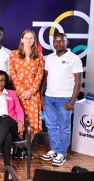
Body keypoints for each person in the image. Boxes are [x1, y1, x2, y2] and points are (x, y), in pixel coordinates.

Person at [40, 33, 82, 166]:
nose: (58, 44)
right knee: (51, 126)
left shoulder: (74, 59)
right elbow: (46, 78)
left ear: (66, 42)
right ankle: (54, 150)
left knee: (64, 127)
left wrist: (73, 101)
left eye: (61, 41)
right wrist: (41, 94)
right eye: (56, 41)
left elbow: (78, 81)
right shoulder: (49, 58)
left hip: (65, 98)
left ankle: (62, 153)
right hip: (49, 97)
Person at [9, 29, 44, 156]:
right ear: (22, 39)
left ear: (34, 40)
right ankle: (17, 147)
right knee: (19, 120)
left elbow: (40, 76)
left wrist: (31, 91)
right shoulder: (14, 54)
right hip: (18, 94)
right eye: (26, 38)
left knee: (32, 122)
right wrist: (21, 91)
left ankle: (26, 148)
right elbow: (12, 74)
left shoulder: (39, 56)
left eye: (31, 38)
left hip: (33, 95)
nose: (29, 40)